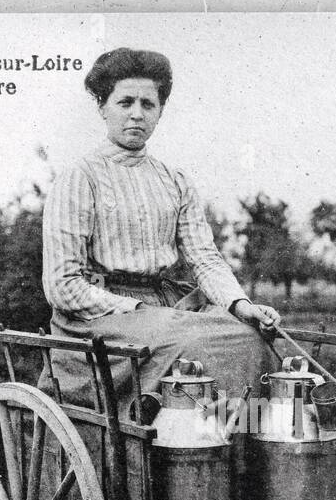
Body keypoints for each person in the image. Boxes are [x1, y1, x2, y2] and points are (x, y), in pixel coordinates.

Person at [41, 47, 281, 409]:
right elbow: (62, 285)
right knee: (193, 342)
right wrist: (133, 307)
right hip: (98, 319)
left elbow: (205, 259)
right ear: (102, 107)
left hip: (165, 310)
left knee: (252, 338)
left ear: (160, 111)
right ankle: (186, 445)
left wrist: (241, 305)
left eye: (148, 104)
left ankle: (232, 454)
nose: (136, 114)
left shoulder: (174, 180)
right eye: (125, 102)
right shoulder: (80, 178)